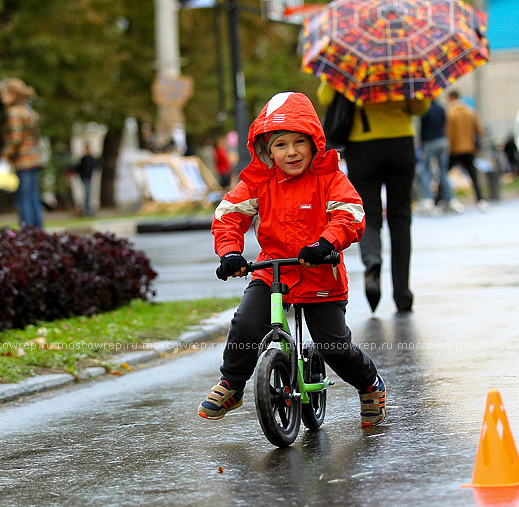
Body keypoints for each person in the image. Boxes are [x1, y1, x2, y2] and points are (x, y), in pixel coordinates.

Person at [198, 91, 386, 428]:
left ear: (314, 142)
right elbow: (228, 215)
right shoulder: (259, 181)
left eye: (300, 141)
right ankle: (232, 383)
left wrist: (327, 242)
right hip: (273, 270)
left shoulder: (329, 178)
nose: (292, 152)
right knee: (246, 324)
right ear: (265, 150)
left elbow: (350, 214)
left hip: (319, 269)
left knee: (333, 347)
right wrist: (229, 252)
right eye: (281, 144)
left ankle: (370, 385)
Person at [318, 82, 429, 313]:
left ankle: (372, 266)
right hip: (401, 143)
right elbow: (420, 106)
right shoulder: (403, 64)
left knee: (368, 214)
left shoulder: (354, 64)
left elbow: (325, 96)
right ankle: (402, 293)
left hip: (363, 146)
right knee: (400, 219)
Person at [0, 77, 44, 228]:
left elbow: (15, 139)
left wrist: (5, 156)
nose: (2, 97)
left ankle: (27, 233)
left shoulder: (14, 112)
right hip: (35, 158)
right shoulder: (29, 111)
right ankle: (38, 231)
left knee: (23, 198)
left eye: (4, 93)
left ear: (13, 94)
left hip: (23, 161)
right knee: (33, 197)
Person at [416, 99, 463, 215]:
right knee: (443, 170)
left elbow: (422, 129)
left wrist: (421, 145)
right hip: (442, 140)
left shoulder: (425, 110)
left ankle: (427, 199)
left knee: (426, 170)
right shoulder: (442, 109)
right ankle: (448, 198)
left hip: (429, 142)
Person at [445, 90, 488, 212]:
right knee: (472, 174)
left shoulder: (449, 113)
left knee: (445, 173)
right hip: (469, 148)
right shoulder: (470, 111)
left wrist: (450, 148)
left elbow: (449, 133)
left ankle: (440, 199)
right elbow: (479, 130)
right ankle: (480, 199)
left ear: (451, 98)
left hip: (455, 149)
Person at [77, 145, 97, 217]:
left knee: (88, 194)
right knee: (87, 193)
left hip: (89, 177)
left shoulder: (91, 158)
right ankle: (87, 209)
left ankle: (88, 209)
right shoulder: (84, 159)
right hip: (85, 177)